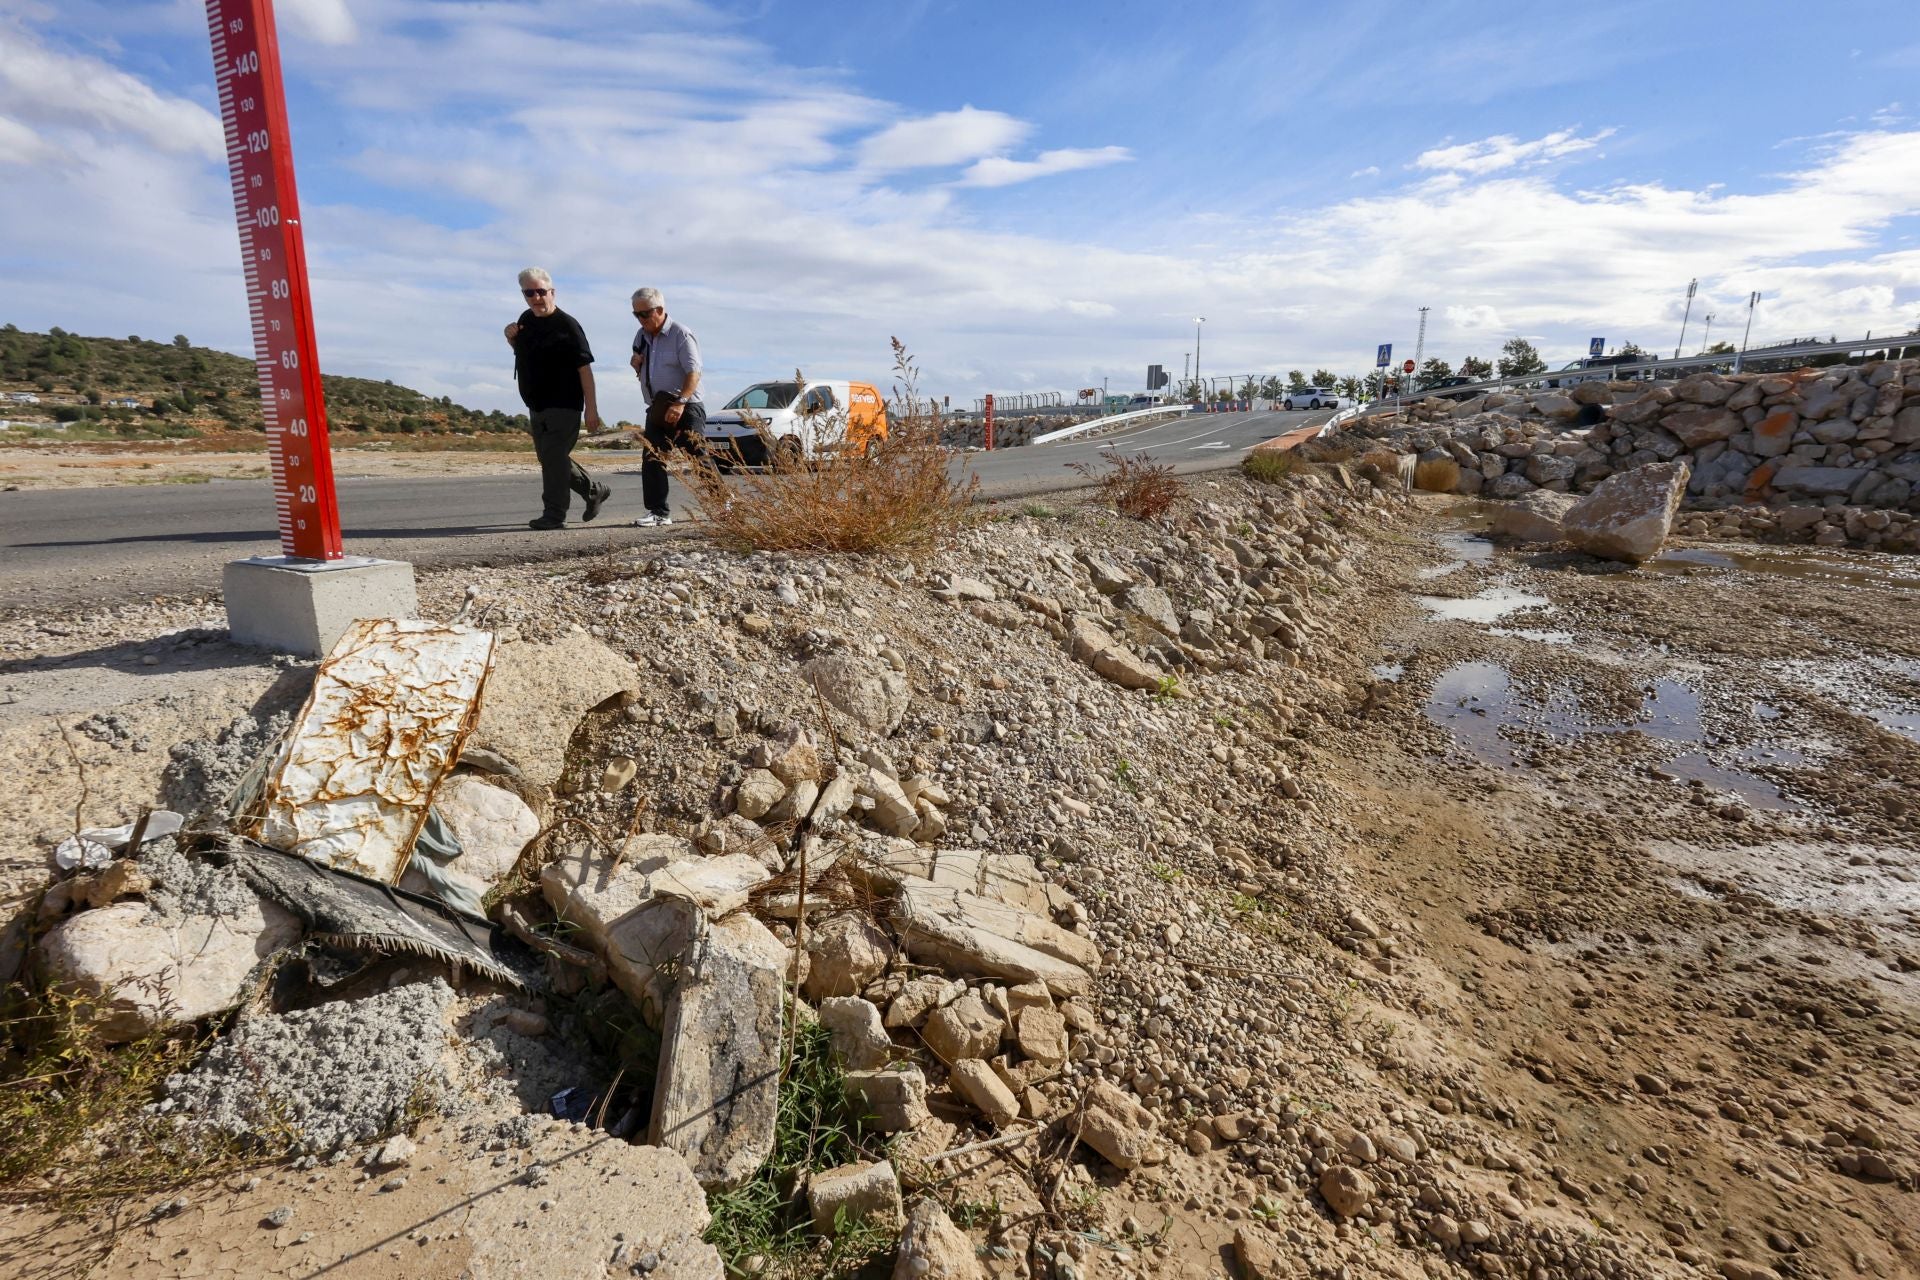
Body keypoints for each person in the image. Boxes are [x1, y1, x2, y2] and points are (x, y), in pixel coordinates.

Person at [504, 267, 610, 530]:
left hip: (564, 404)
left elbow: (585, 370)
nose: (536, 297)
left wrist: (592, 410)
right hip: (536, 404)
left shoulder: (568, 326)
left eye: (541, 291)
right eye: (530, 293)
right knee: (551, 459)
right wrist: (511, 338)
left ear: (552, 292)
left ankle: (554, 514)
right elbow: (525, 353)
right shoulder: (525, 319)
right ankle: (593, 490)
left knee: (552, 457)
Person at [629, 287, 704, 527]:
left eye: (644, 314)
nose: (640, 320)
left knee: (697, 456)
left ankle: (726, 503)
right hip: (657, 407)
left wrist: (681, 402)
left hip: (686, 406)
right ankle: (658, 512)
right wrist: (635, 363)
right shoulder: (641, 336)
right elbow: (642, 365)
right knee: (652, 456)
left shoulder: (680, 334)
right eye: (636, 315)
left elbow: (694, 371)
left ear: (660, 310)